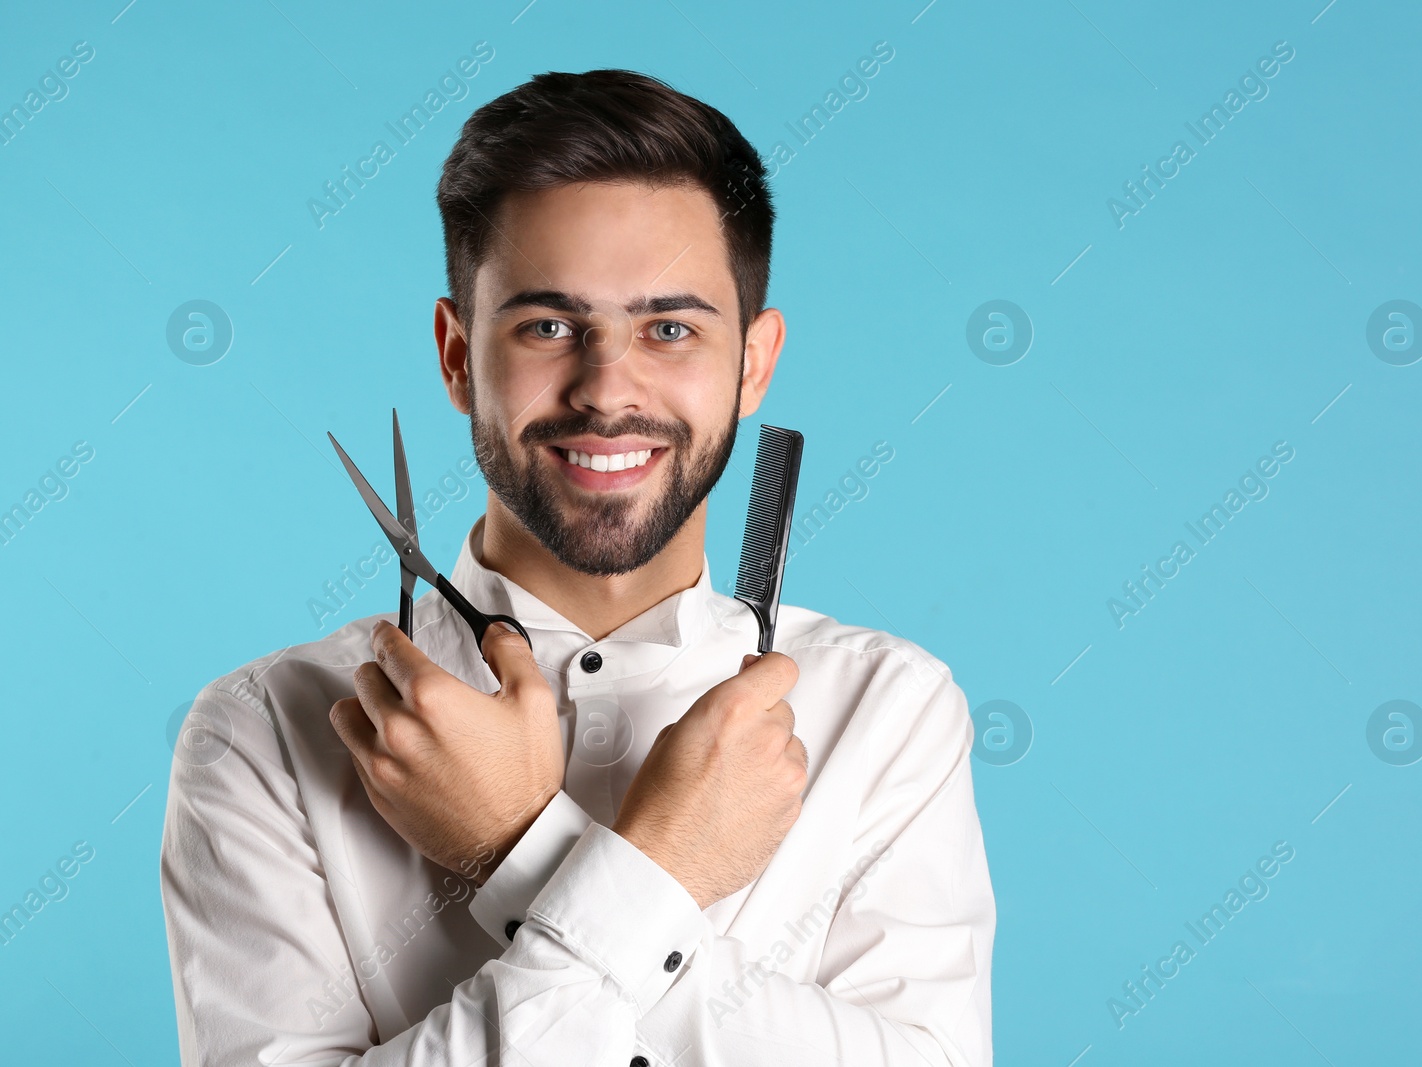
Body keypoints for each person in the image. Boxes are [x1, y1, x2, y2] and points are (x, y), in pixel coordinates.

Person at [160, 68, 994, 1066]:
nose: (607, 390)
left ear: (754, 364)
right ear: (457, 353)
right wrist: (663, 872)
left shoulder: (887, 709)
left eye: (669, 328)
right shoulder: (267, 728)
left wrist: (518, 848)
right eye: (548, 326)